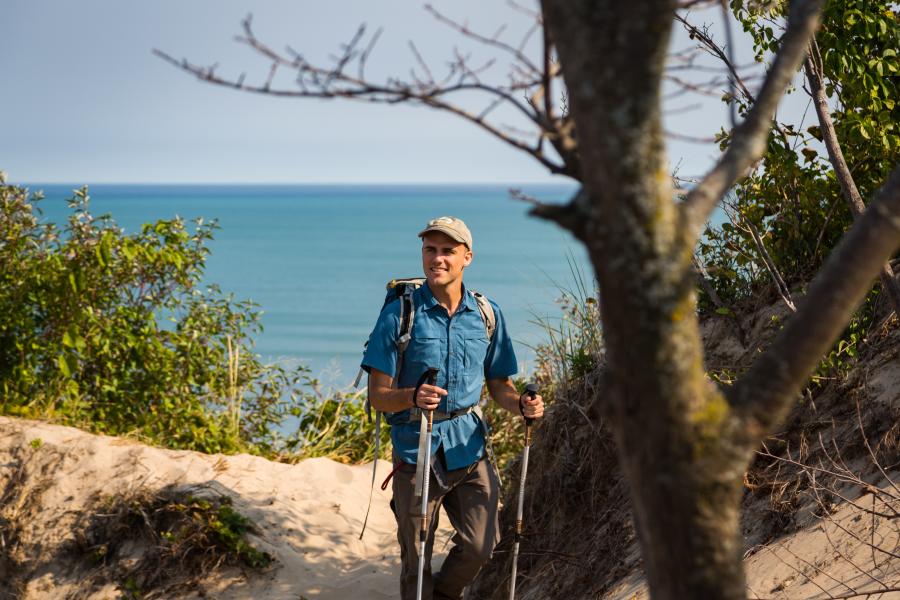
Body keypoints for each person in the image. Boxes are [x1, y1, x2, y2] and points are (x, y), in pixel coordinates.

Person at [361, 216, 544, 600]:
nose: (438, 259)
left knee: (483, 544)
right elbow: (378, 395)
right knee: (417, 557)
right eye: (431, 249)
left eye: (448, 251)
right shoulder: (400, 313)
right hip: (416, 448)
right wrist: (412, 396)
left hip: (469, 446)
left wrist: (523, 406)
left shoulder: (486, 314)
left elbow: (500, 386)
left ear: (467, 258)